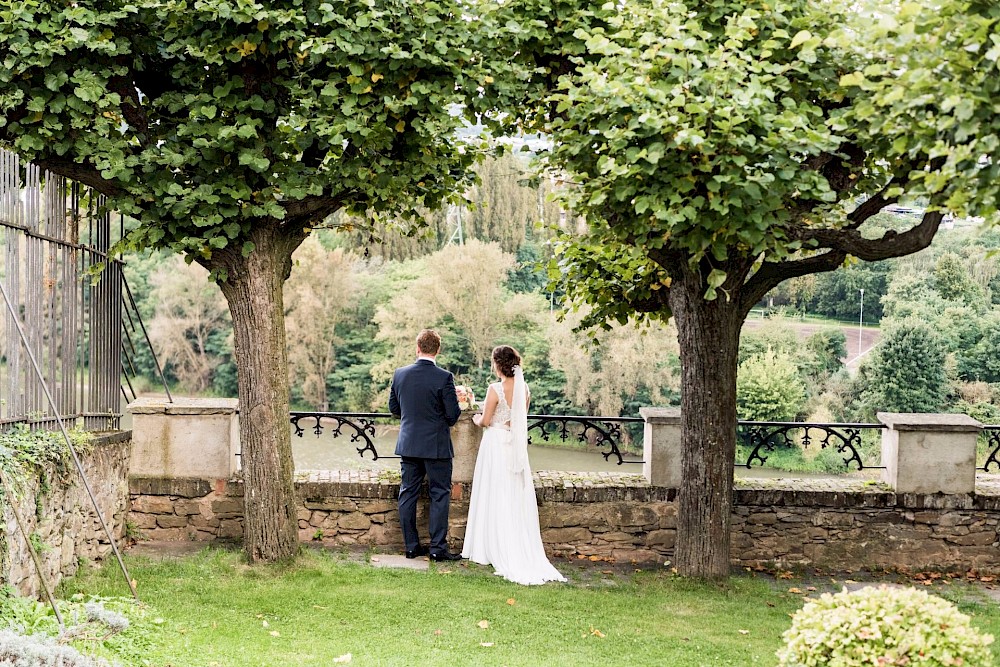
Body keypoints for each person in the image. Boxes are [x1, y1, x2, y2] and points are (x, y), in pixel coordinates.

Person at [461, 345, 566, 585]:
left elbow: (486, 420)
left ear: (497, 364)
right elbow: (518, 419)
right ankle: (515, 543)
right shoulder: (524, 388)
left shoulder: (494, 388)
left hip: (496, 444)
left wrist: (476, 418)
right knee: (511, 495)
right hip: (513, 446)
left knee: (493, 492)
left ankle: (488, 547)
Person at [388, 329, 463, 562]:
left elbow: (394, 409)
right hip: (437, 447)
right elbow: (452, 416)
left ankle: (411, 547)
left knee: (408, 493)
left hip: (409, 443)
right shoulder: (444, 377)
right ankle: (437, 549)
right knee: (439, 494)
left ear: (417, 347)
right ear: (438, 350)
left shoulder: (400, 374)